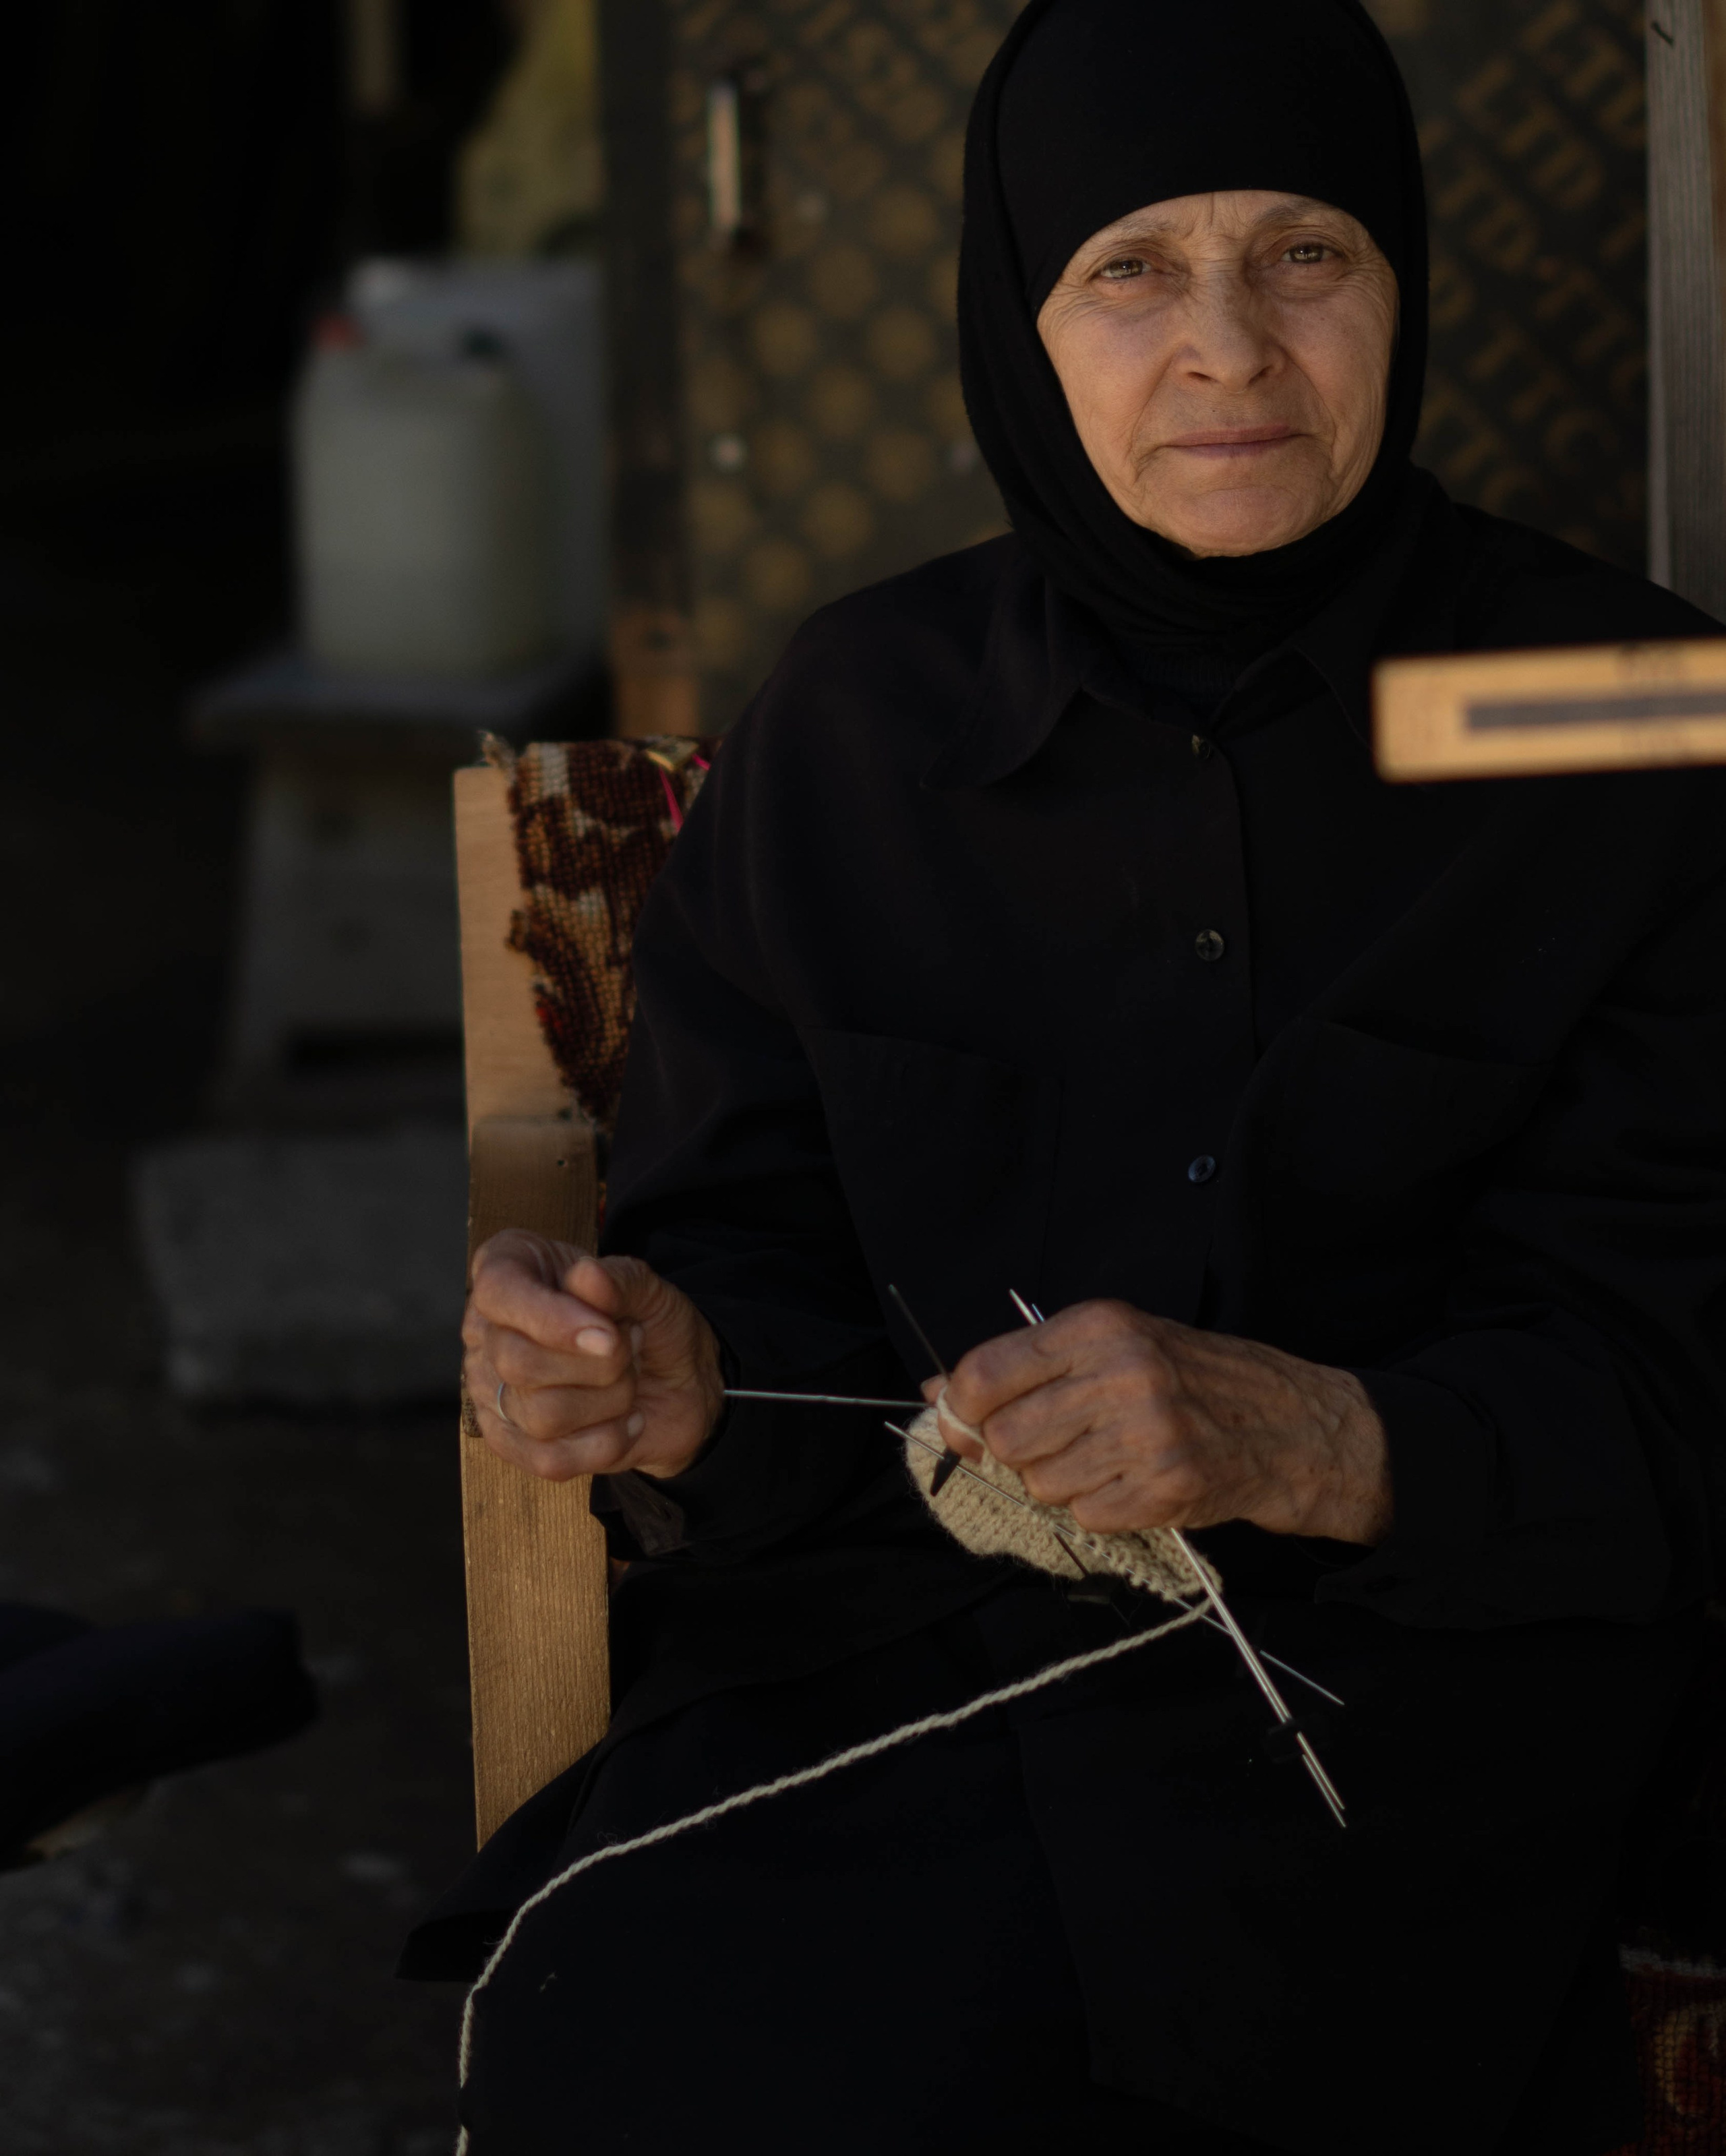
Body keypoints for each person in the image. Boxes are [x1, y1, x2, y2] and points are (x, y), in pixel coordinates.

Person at [402, 2, 1726, 2150]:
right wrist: (678, 1379)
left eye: (1306, 253)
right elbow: (758, 1289)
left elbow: (1681, 1370)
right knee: (644, 2041)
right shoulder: (859, 728)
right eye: (1131, 269)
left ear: (1403, 279)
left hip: (1414, 1718)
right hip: (913, 1672)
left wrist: (1317, 1437)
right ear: (1019, 320)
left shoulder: (1624, 719)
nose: (1228, 348)